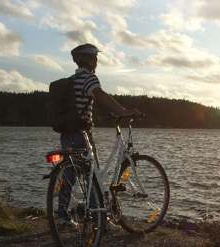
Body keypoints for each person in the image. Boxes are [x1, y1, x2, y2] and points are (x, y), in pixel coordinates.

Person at [58, 43, 140, 230]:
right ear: (88, 60)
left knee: (69, 175)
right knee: (93, 176)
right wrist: (124, 111)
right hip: (82, 134)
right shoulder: (89, 78)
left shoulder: (72, 80)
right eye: (95, 58)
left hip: (66, 132)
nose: (97, 61)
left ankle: (63, 216)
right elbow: (102, 96)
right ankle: (99, 220)